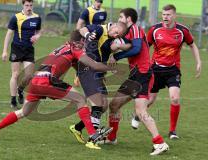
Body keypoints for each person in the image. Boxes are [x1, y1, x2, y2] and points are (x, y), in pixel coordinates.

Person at [0, 30, 114, 150]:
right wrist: (112, 68)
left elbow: (79, 68)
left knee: (23, 112)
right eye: (83, 42)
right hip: (48, 81)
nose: (85, 45)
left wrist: (21, 88)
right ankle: (92, 136)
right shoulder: (75, 48)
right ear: (77, 43)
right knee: (80, 99)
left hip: (36, 81)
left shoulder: (61, 48)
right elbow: (94, 65)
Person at [99, 8, 169, 156]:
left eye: (121, 17)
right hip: (134, 75)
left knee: (140, 111)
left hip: (143, 74)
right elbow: (116, 45)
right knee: (114, 105)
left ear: (129, 19)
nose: (119, 19)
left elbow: (136, 49)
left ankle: (160, 142)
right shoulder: (126, 32)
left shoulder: (136, 29)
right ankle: (112, 138)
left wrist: (117, 56)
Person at [131, 4, 202, 139]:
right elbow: (145, 48)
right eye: (163, 14)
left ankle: (172, 131)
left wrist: (199, 62)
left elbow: (192, 45)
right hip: (155, 69)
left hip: (173, 69)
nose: (165, 17)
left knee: (175, 98)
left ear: (174, 16)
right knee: (150, 100)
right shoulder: (154, 30)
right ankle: (138, 114)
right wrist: (138, 64)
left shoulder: (182, 31)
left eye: (168, 15)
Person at [69, 22, 127, 143]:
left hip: (98, 73)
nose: (116, 35)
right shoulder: (100, 29)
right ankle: (93, 137)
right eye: (116, 32)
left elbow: (106, 53)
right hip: (88, 70)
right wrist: (88, 34)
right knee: (98, 103)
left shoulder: (112, 39)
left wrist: (112, 57)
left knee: (104, 106)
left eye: (118, 35)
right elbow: (83, 29)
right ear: (114, 25)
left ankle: (77, 128)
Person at [2, 0, 42, 108]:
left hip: (29, 50)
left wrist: (37, 36)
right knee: (15, 74)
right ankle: (13, 100)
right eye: (27, 5)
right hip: (17, 48)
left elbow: (38, 31)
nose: (29, 7)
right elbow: (9, 34)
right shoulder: (16, 17)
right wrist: (5, 51)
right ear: (23, 5)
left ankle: (20, 89)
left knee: (29, 75)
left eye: (30, 5)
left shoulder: (37, 18)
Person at [74, 0, 107, 87]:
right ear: (94, 1)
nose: (99, 3)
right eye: (97, 1)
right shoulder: (87, 11)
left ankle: (100, 76)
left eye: (100, 2)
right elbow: (79, 25)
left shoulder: (103, 12)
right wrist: (79, 37)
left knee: (101, 56)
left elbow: (103, 24)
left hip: (100, 38)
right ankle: (79, 74)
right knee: (88, 57)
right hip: (89, 37)